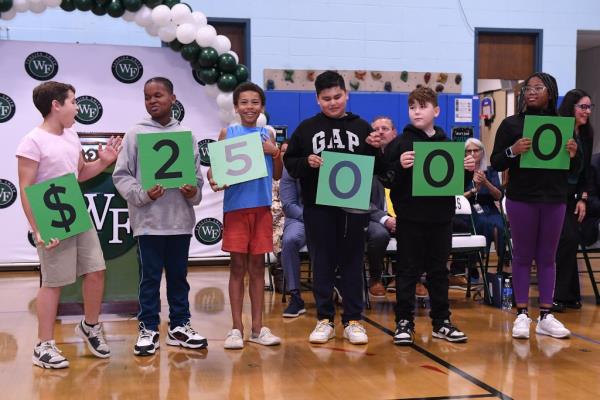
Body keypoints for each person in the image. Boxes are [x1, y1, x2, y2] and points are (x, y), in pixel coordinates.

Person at [16, 81, 121, 368]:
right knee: (54, 282)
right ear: (56, 105)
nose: (77, 107)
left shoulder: (72, 135)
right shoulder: (32, 141)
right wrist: (38, 228)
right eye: (73, 101)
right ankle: (44, 345)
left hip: (75, 210)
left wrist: (103, 163)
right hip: (50, 216)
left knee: (96, 270)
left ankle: (89, 326)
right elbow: (25, 187)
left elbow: (80, 173)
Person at [283, 70, 382, 345]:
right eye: (326, 98)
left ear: (346, 95)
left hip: (354, 209)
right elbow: (291, 164)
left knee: (351, 263)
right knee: (322, 263)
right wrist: (307, 162)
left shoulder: (362, 127)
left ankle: (353, 320)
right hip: (318, 208)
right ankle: (324, 319)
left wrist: (377, 148)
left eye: (337, 96)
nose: (333, 102)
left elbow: (378, 168)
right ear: (317, 99)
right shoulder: (305, 128)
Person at [113, 77, 207, 356]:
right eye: (147, 97)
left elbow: (198, 187)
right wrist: (144, 194)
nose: (153, 101)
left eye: (158, 95)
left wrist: (191, 192)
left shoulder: (187, 136)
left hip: (179, 222)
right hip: (148, 224)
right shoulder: (135, 134)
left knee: (179, 278)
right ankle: (149, 328)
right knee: (149, 279)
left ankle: (179, 326)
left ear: (173, 98)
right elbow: (121, 176)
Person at [381, 86, 474, 345]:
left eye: (422, 106)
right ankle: (404, 322)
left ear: (436, 110)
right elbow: (386, 181)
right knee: (407, 271)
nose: (417, 111)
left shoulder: (448, 145)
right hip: (410, 218)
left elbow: (457, 185)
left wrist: (467, 170)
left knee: (438, 272)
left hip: (441, 218)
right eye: (412, 107)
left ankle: (441, 321)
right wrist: (399, 166)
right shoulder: (399, 144)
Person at [491, 72, 579, 340]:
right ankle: (521, 314)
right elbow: (496, 162)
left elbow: (575, 171)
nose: (531, 92)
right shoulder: (511, 125)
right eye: (527, 88)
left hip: (554, 200)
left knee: (547, 257)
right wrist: (512, 151)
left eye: (537, 88)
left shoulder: (564, 125)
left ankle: (545, 316)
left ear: (550, 92)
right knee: (522, 256)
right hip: (521, 199)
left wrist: (574, 155)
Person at [207, 82, 283, 349]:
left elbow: (276, 174)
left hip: (261, 209)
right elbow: (214, 172)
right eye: (244, 102)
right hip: (236, 209)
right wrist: (214, 178)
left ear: (262, 106)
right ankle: (236, 328)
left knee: (257, 269)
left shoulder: (268, 133)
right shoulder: (228, 132)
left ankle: (258, 328)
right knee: (237, 268)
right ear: (236, 107)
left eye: (255, 102)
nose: (249, 107)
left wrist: (274, 153)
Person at [553, 89, 594, 312]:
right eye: (583, 107)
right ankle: (558, 296)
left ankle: (568, 294)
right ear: (571, 107)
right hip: (555, 194)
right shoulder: (559, 131)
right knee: (567, 240)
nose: (587, 112)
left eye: (589, 107)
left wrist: (583, 198)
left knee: (571, 240)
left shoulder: (587, 134)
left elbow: (586, 172)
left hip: (574, 196)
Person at [367, 116, 397, 297]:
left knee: (416, 228)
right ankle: (376, 279)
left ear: (394, 133)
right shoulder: (365, 159)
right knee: (379, 234)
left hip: (401, 211)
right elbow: (359, 198)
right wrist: (385, 218)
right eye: (376, 129)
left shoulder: (405, 158)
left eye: (385, 128)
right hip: (372, 215)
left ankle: (407, 278)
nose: (380, 132)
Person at [462, 138, 505, 265]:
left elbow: (498, 196)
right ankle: (476, 262)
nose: (472, 154)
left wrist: (486, 182)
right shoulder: (461, 171)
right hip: (469, 208)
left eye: (476, 150)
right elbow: (457, 197)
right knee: (481, 222)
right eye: (468, 151)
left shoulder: (490, 170)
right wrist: (474, 191)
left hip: (489, 207)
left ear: (482, 152)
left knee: (499, 227)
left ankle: (500, 265)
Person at [280, 161, 307, 317]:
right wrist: (310, 217)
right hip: (300, 217)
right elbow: (289, 205)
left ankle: (338, 284)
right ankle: (295, 296)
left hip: (329, 217)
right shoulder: (291, 164)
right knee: (289, 240)